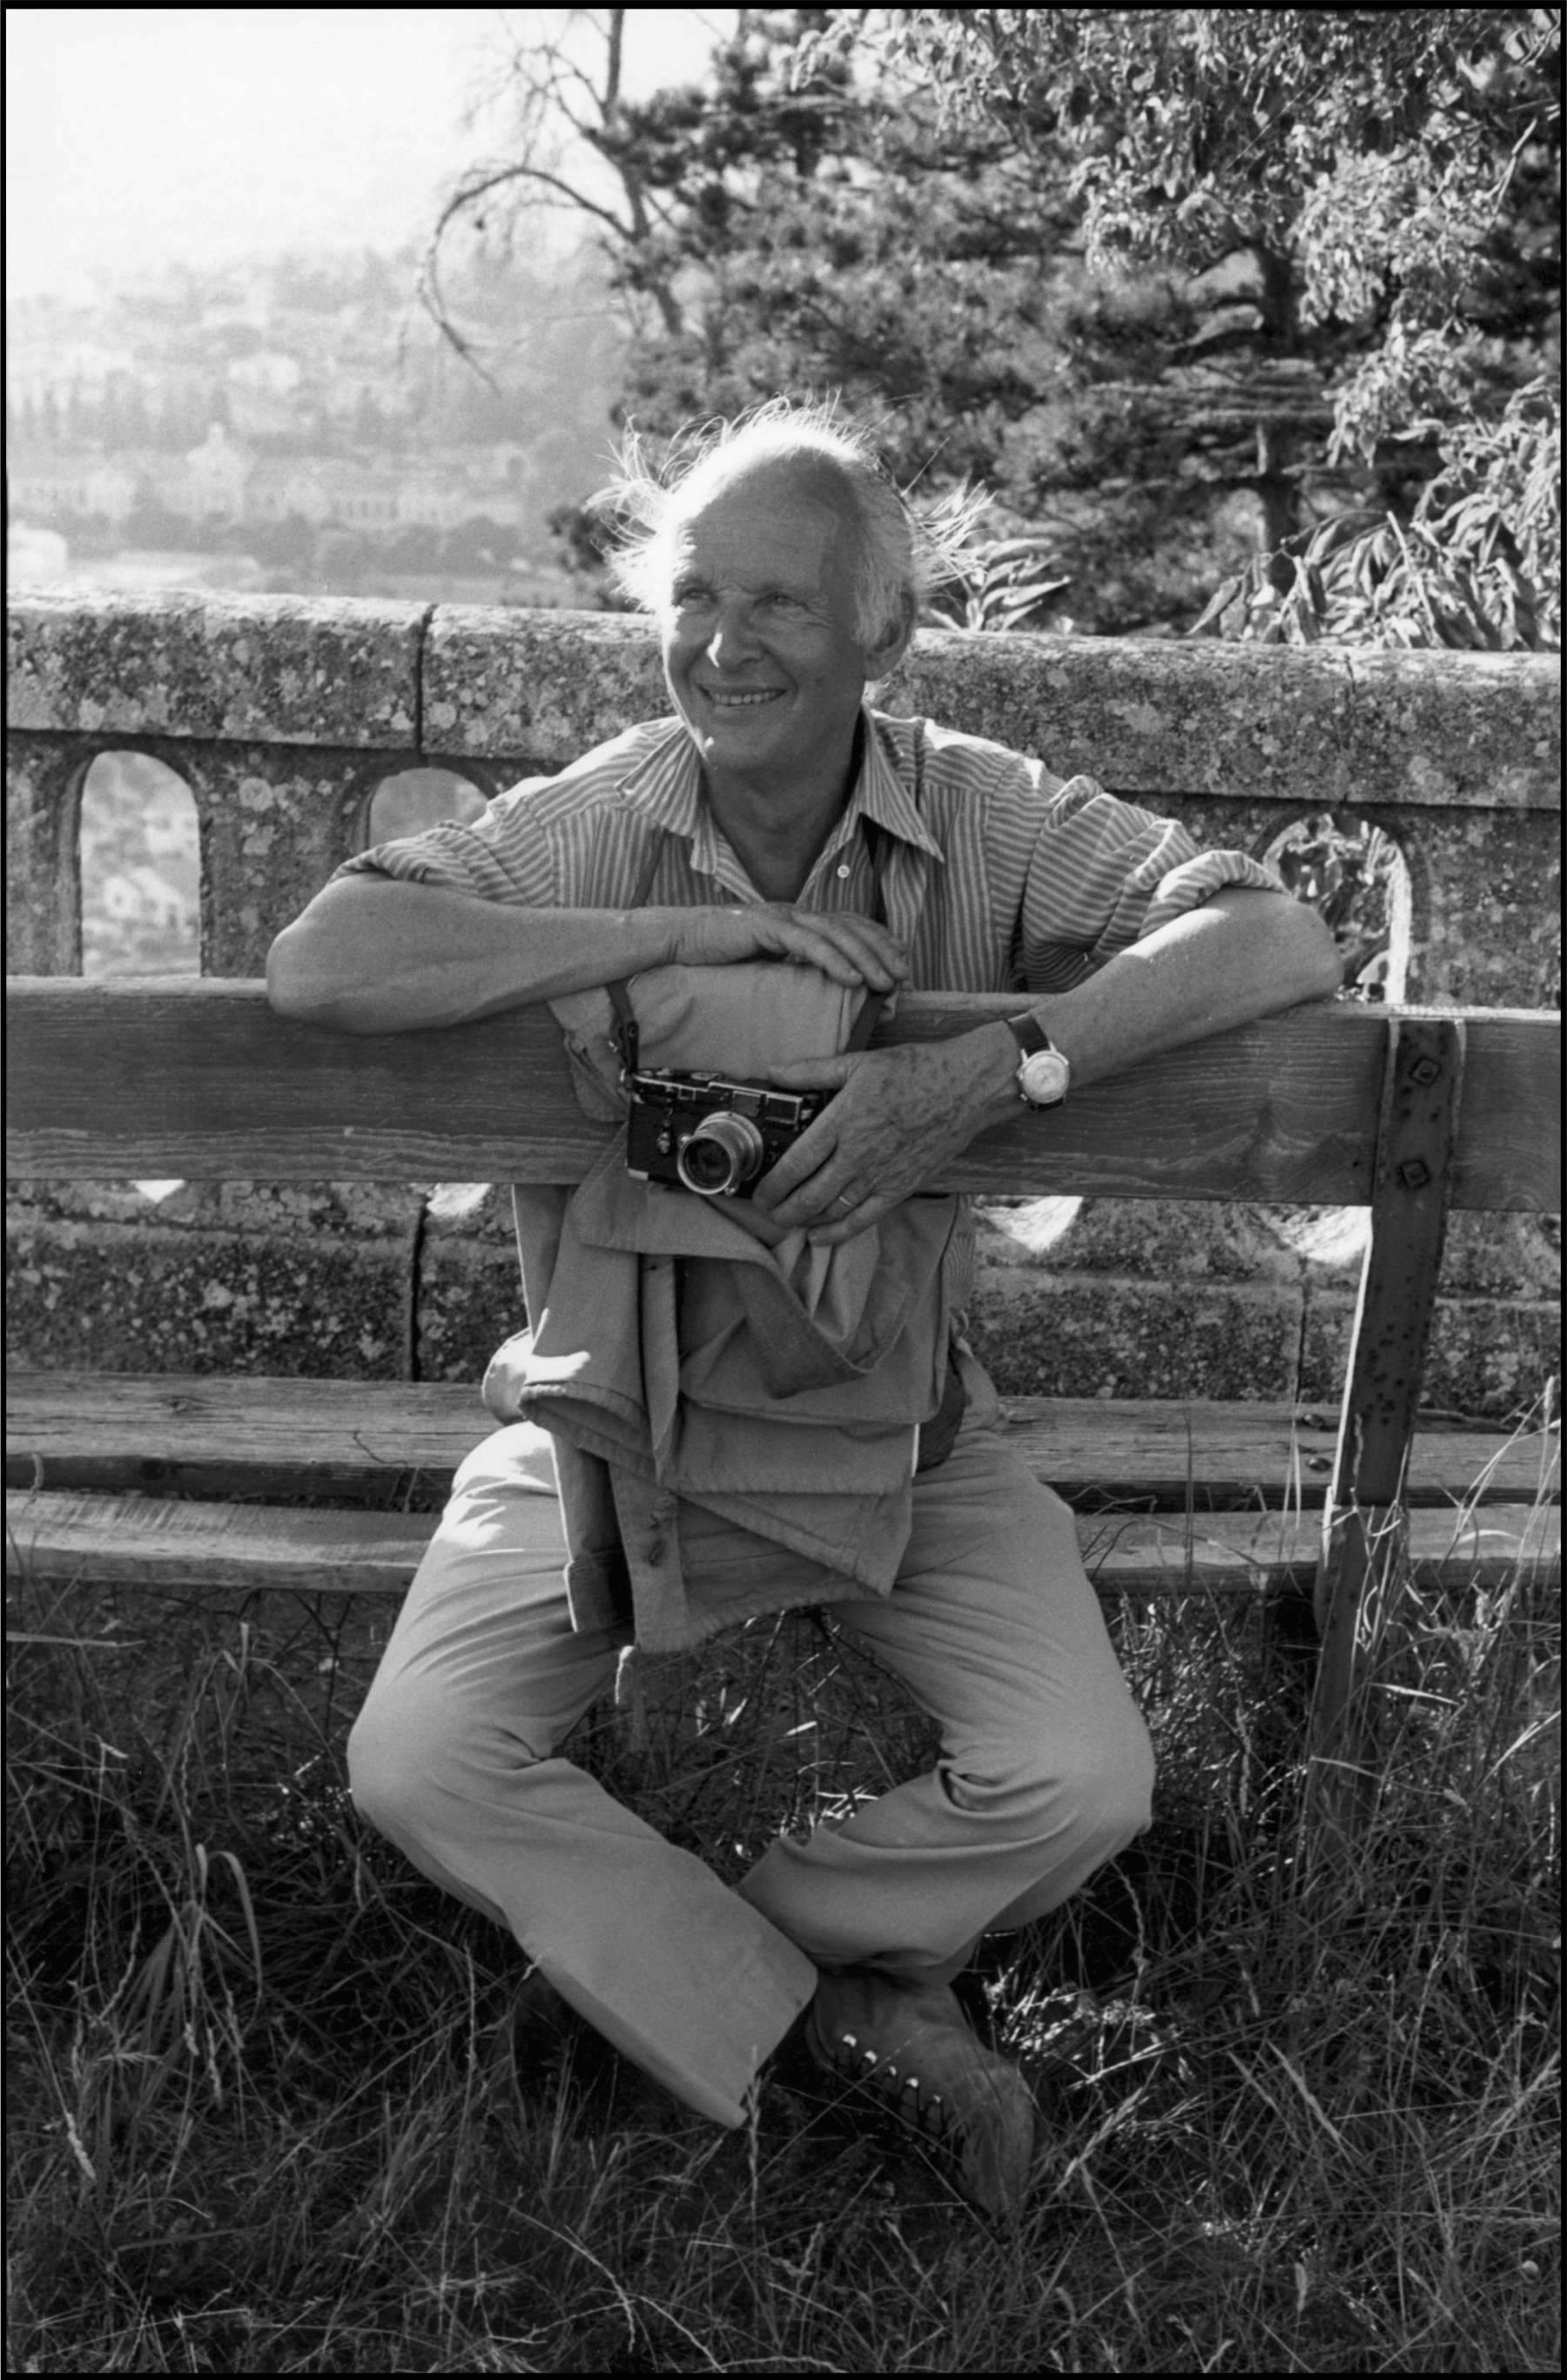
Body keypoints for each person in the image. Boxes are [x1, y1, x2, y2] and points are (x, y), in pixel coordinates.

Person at [266, 398, 1342, 2221]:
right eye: (692, 593)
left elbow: (1275, 936)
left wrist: (992, 1070)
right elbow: (327, 959)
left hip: (895, 1415)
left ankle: (746, 1970)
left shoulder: (987, 811)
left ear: (883, 636)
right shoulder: (604, 815)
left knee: (1080, 1773)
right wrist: (671, 939)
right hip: (606, 1419)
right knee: (421, 1753)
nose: (720, 640)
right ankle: (842, 2019)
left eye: (775, 600)